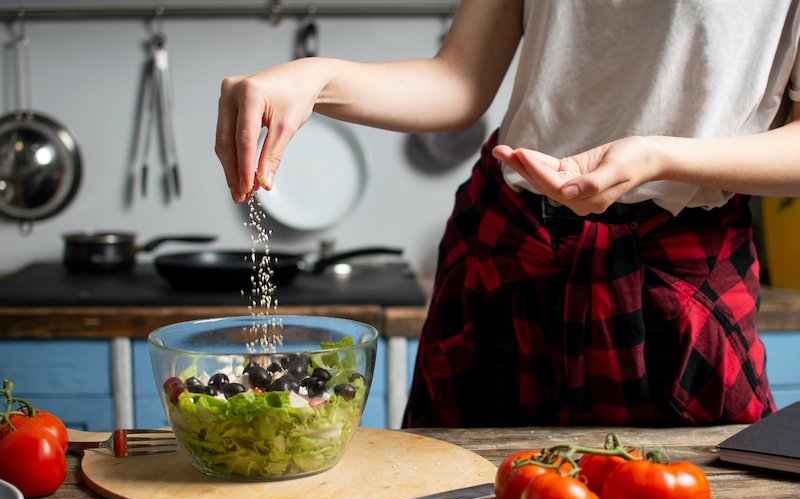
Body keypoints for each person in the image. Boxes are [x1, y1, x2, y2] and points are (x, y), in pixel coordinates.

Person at [215, 1, 800, 428]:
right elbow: (460, 81)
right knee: (458, 495)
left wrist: (659, 155)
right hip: (505, 250)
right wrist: (315, 76)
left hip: (675, 273)